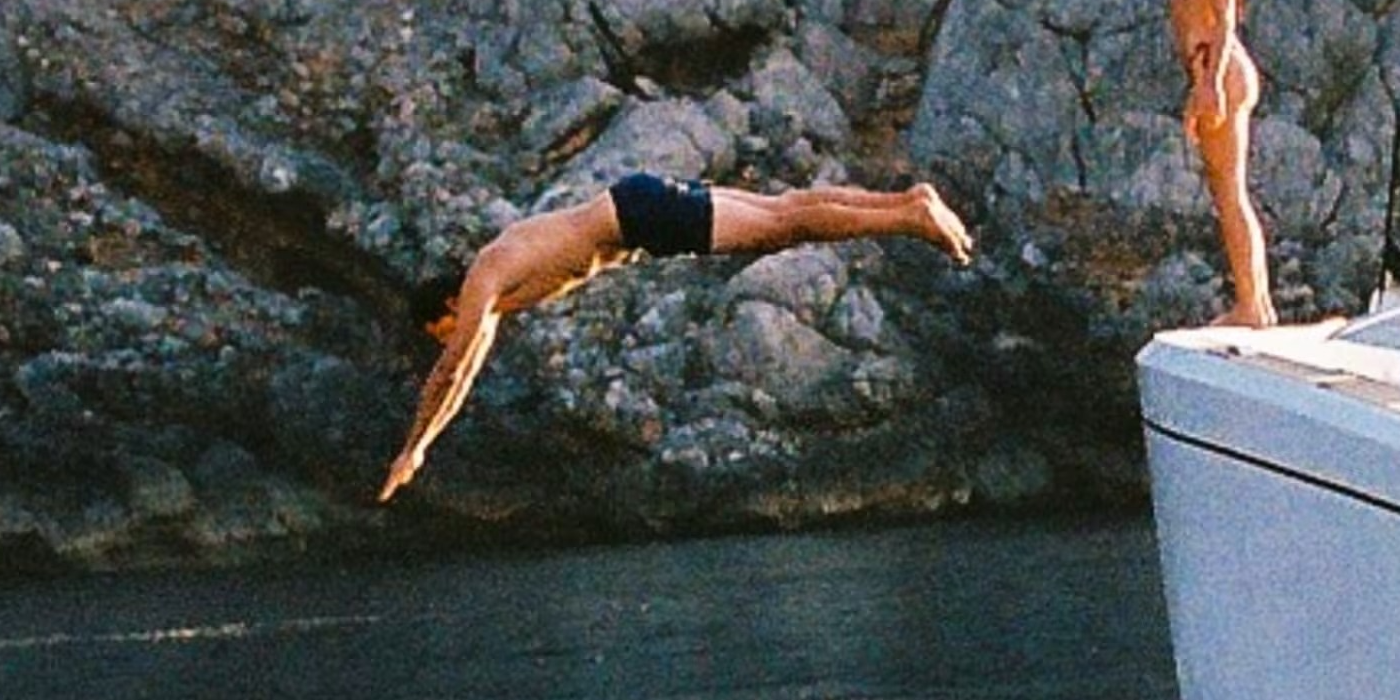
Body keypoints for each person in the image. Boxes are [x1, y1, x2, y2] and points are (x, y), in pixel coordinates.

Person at [380, 168, 973, 501]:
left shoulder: (484, 278)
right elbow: (464, 373)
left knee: (783, 228)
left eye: (442, 329)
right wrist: (423, 443)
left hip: (638, 218)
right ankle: (908, 199)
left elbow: (452, 369)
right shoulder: (495, 293)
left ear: (448, 304)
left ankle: (909, 219)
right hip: (637, 204)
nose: (450, 338)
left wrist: (413, 447)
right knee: (784, 210)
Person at [1138, 0, 1276, 329]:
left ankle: (1251, 306)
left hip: (1223, 73)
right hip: (1212, 72)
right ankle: (1257, 304)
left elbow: (1226, 17)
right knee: (1227, 193)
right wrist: (1199, 83)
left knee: (1230, 194)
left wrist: (1210, 86)